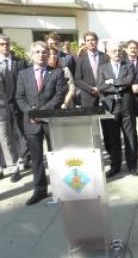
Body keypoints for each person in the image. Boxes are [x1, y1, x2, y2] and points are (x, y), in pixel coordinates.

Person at [16, 41, 67, 205]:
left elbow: (59, 96)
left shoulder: (58, 72)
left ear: (49, 54)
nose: (41, 55)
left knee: (56, 156)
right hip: (31, 122)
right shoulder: (23, 74)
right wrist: (31, 112)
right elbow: (19, 97)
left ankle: (60, 188)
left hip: (50, 120)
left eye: (44, 52)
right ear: (32, 54)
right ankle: (40, 190)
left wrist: (42, 112)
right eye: (37, 52)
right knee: (37, 159)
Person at [97, 42, 138, 177]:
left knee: (130, 137)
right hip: (110, 106)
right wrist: (118, 85)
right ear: (108, 53)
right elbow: (100, 86)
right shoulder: (102, 68)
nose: (117, 53)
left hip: (127, 105)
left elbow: (129, 80)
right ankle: (115, 165)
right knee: (113, 138)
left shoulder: (128, 66)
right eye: (114, 51)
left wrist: (113, 82)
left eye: (119, 50)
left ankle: (132, 165)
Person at [0, 34, 22, 182]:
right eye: (1, 44)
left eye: (6, 44)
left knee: (12, 136)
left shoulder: (18, 62)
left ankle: (15, 166)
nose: (5, 46)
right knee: (3, 136)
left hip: (15, 104)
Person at [74, 31, 108, 108]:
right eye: (88, 40)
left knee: (106, 119)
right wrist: (91, 89)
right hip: (87, 96)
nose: (91, 42)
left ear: (97, 41)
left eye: (92, 40)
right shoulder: (80, 59)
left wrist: (99, 88)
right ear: (85, 43)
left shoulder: (105, 57)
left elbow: (109, 76)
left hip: (104, 95)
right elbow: (77, 79)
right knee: (89, 119)